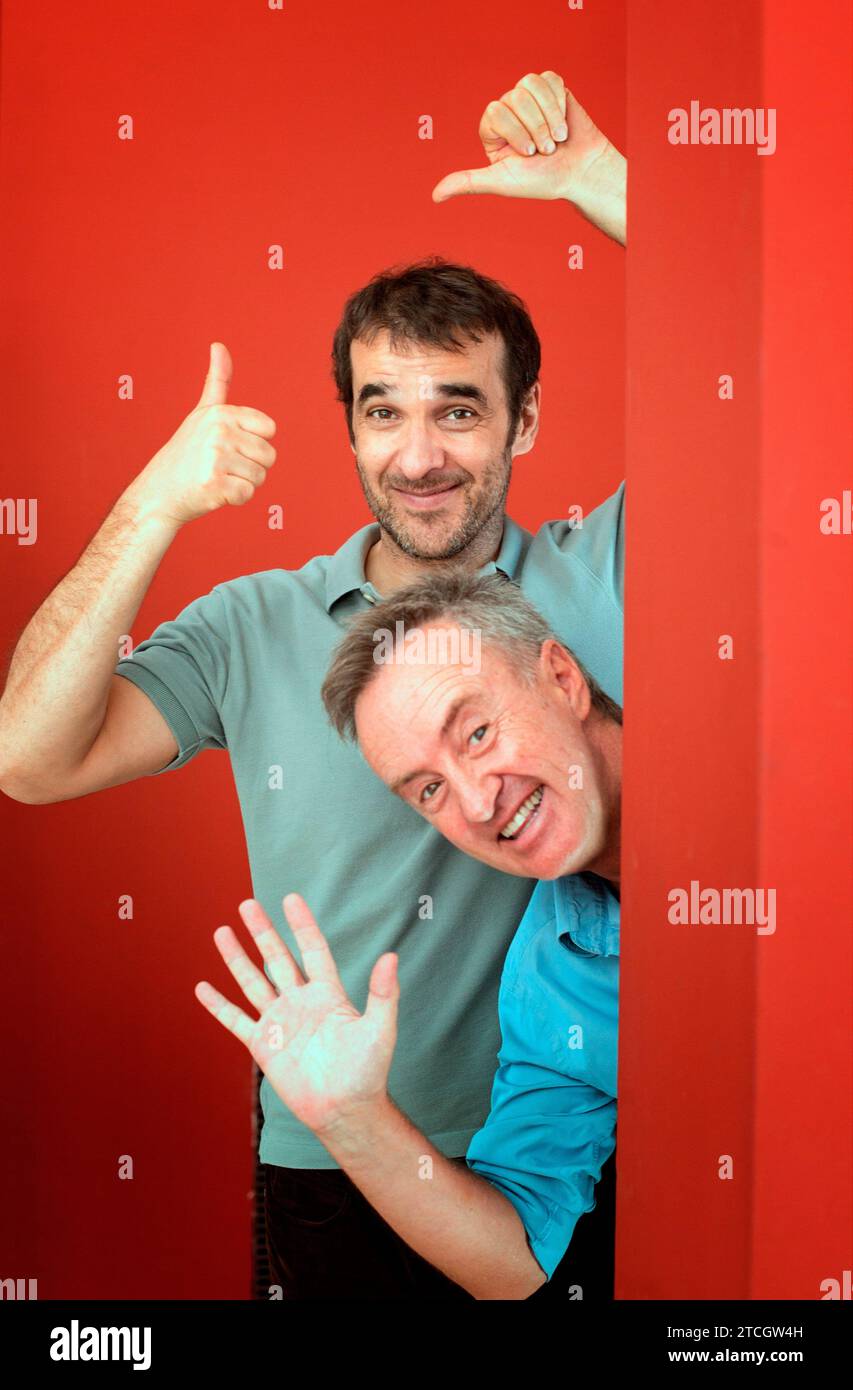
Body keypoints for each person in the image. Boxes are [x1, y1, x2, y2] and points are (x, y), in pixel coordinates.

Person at [0, 70, 626, 1299]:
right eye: (382, 411)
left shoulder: (603, 571)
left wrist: (611, 191)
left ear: (527, 420)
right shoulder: (255, 623)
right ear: (346, 426)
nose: (419, 455)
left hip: (575, 1145)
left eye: (459, 410)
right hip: (336, 1148)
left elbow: (806, 383)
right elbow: (26, 756)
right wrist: (154, 504)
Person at [195, 571, 622, 1300]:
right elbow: (516, 1263)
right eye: (429, 789)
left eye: (477, 732)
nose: (480, 800)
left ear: (560, 677)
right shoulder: (553, 972)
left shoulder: (773, 768)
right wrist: (352, 1119)